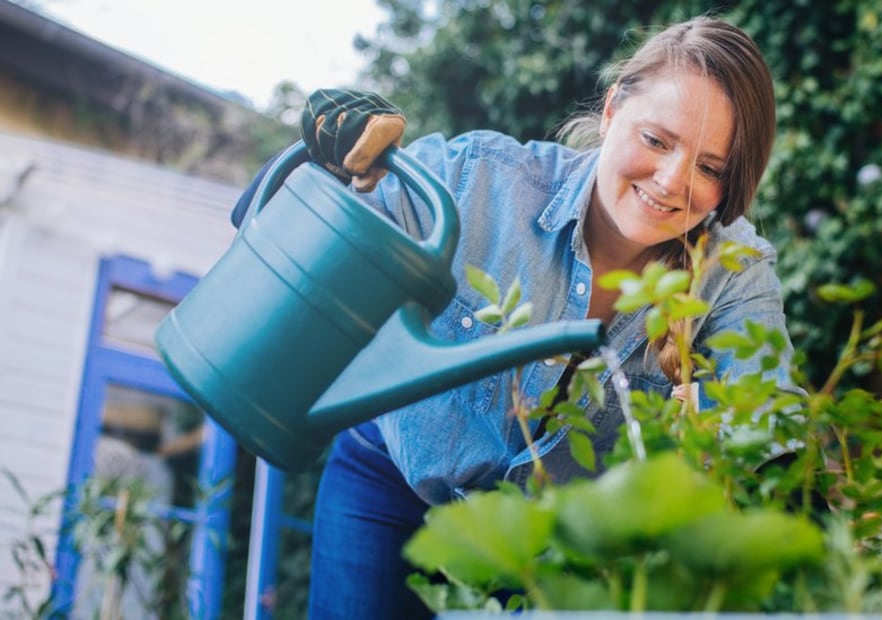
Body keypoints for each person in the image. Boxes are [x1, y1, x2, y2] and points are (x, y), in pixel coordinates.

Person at [232, 15, 798, 619]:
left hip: (548, 554)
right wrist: (327, 159)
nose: (671, 181)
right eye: (657, 140)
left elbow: (772, 421)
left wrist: (731, 439)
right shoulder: (480, 179)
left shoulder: (732, 270)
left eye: (710, 168)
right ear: (611, 112)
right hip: (391, 487)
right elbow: (267, 230)